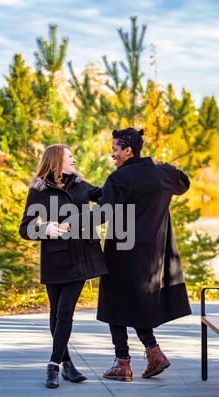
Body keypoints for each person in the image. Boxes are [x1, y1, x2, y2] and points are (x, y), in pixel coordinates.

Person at [61, 127, 192, 381]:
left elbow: (102, 212)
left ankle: (123, 362)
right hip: (154, 253)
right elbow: (184, 182)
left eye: (115, 150)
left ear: (128, 150)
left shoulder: (120, 178)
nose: (113, 155)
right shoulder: (161, 173)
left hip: (123, 250)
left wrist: (72, 223)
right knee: (134, 302)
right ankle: (153, 353)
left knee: (114, 303)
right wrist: (160, 163)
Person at [19, 144, 108, 388]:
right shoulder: (38, 189)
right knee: (56, 312)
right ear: (57, 161)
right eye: (70, 156)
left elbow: (108, 203)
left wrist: (127, 180)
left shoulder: (81, 185)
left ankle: (53, 365)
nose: (74, 159)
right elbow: (25, 228)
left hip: (82, 257)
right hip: (55, 258)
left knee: (65, 311)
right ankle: (68, 364)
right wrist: (45, 229)